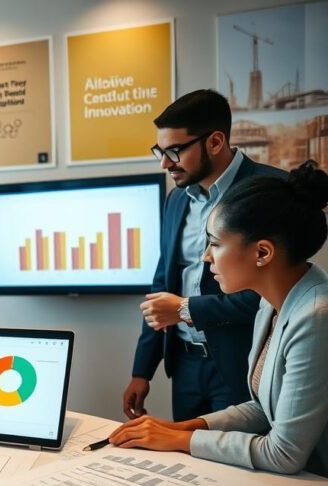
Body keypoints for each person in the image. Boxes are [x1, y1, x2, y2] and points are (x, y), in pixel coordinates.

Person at [110, 162, 328, 476]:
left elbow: (284, 453)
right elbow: (264, 410)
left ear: (263, 253)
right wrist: (183, 427)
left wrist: (181, 439)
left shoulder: (315, 317)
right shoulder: (274, 301)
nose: (206, 257)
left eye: (215, 244)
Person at [123, 89, 287, 422]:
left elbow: (273, 295)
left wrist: (185, 309)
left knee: (236, 469)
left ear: (214, 142)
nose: (164, 163)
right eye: (160, 150)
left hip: (242, 363)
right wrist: (142, 370)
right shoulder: (177, 200)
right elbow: (162, 285)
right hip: (183, 365)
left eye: (174, 150)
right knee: (186, 466)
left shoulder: (271, 191)